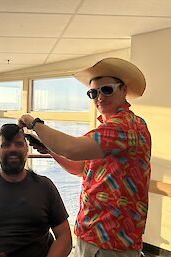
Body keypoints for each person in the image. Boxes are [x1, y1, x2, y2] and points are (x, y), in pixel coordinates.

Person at [18, 58, 151, 257]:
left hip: (109, 241)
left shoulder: (124, 127)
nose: (99, 97)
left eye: (106, 90)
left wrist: (34, 122)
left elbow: (71, 148)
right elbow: (80, 169)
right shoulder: (110, 130)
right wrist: (50, 149)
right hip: (94, 235)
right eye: (93, 93)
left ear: (123, 90)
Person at [0, 123, 72, 257]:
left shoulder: (45, 187)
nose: (13, 149)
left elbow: (64, 238)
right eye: (6, 145)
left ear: (26, 150)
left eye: (18, 144)